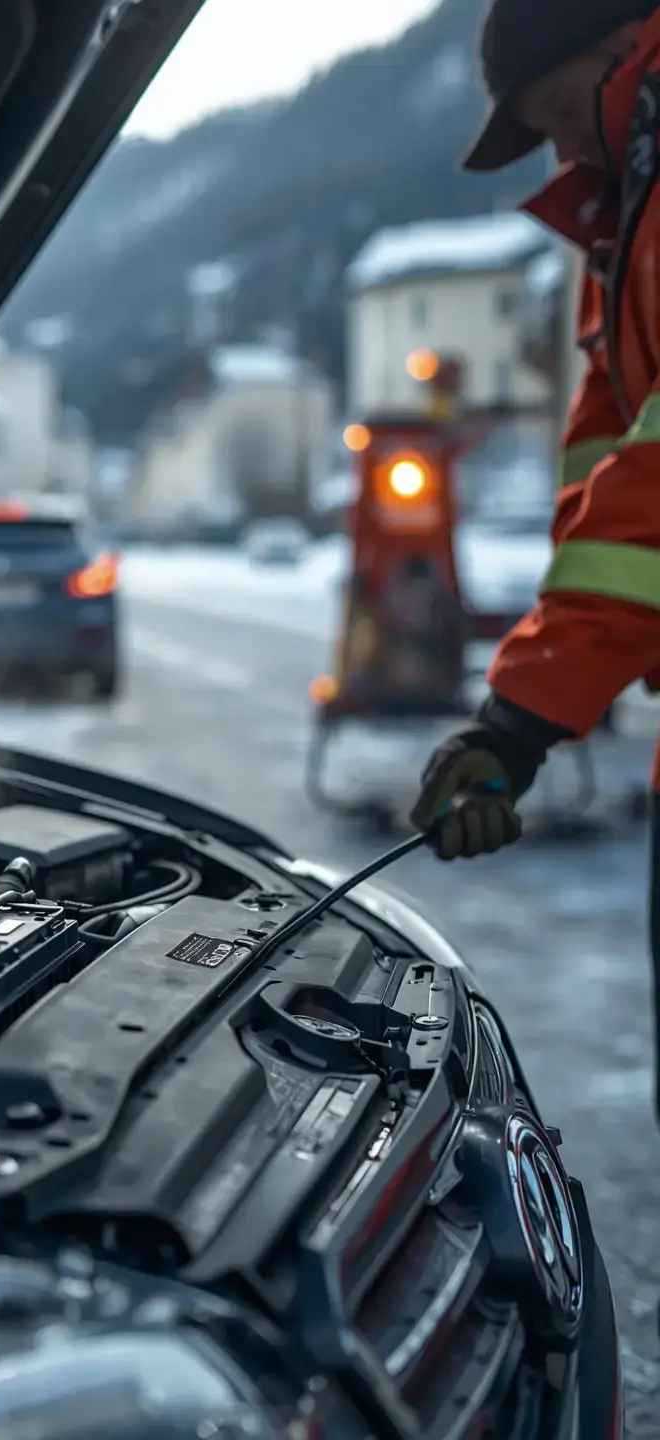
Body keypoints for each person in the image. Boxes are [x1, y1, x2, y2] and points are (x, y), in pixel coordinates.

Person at [411, 0, 660, 868]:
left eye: (558, 108)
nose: (562, 152)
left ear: (629, 42)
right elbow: (601, 477)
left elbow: (652, 494)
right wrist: (551, 687)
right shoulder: (618, 226)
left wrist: (518, 721)